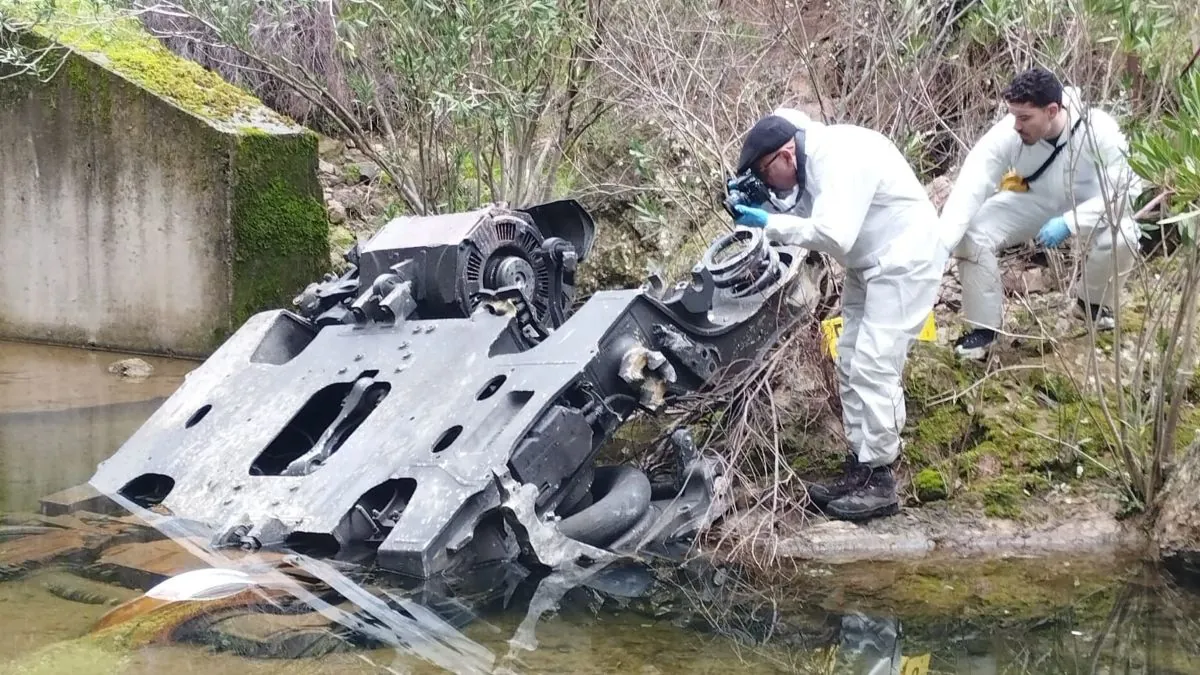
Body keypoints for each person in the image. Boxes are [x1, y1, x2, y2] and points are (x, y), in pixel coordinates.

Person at [728, 108, 951, 522]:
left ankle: (882, 480)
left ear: (786, 155)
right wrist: (762, 206)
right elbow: (811, 218)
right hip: (870, 263)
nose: (764, 180)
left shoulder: (841, 156)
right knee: (848, 357)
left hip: (906, 258)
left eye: (764, 171)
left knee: (874, 362)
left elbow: (833, 232)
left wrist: (769, 223)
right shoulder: (811, 164)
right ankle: (861, 464)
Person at [941, 67, 1144, 360]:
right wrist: (942, 242)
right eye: (1013, 116)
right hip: (1035, 200)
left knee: (1126, 234)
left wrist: (1071, 222)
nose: (1017, 126)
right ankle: (984, 331)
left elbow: (1125, 190)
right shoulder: (1008, 134)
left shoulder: (1099, 129)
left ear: (1051, 110)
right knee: (973, 234)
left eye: (1025, 118)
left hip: (1090, 206)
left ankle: (1093, 306)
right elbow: (973, 184)